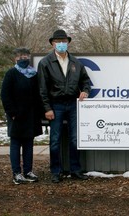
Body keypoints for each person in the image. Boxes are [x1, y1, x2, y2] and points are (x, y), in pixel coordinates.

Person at [37, 29, 91, 183]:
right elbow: (42, 89)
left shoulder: (76, 62)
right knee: (55, 140)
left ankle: (75, 170)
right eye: (58, 42)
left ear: (67, 43)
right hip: (56, 105)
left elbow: (85, 81)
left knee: (75, 139)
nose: (61, 44)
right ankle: (55, 171)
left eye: (64, 42)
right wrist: (47, 108)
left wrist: (85, 91)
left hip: (73, 105)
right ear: (53, 43)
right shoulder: (45, 63)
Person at [1, 47, 43, 184]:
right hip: (17, 116)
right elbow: (5, 95)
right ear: (15, 58)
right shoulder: (11, 74)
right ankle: (16, 173)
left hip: (31, 117)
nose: (23, 58)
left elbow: (38, 95)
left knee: (28, 145)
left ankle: (28, 171)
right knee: (15, 144)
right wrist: (12, 113)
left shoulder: (34, 74)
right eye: (20, 56)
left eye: (25, 56)